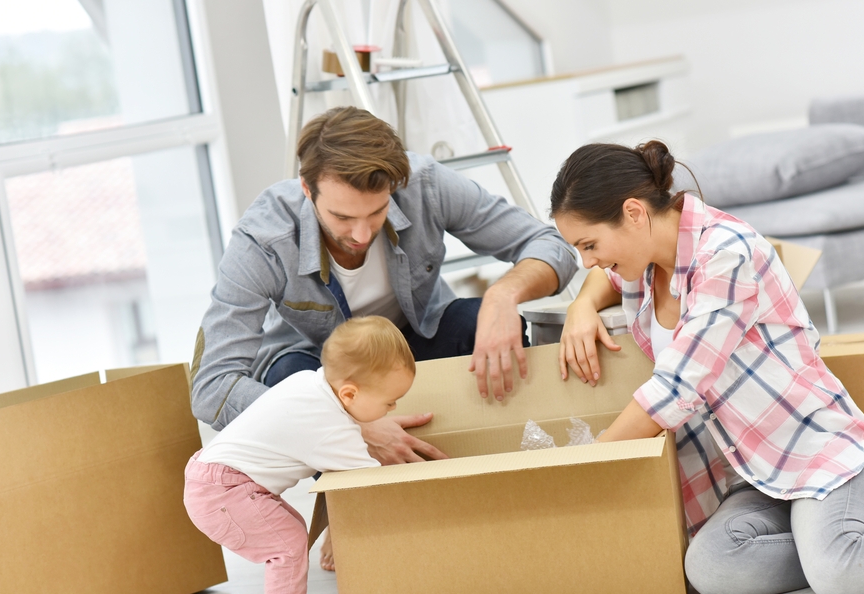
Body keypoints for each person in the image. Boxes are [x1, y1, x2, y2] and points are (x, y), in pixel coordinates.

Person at [550, 140, 864, 594]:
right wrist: (581, 304)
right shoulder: (646, 262)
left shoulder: (725, 255)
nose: (588, 261)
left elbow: (676, 388)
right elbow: (604, 276)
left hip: (821, 455)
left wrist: (581, 467)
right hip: (754, 474)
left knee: (838, 578)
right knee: (710, 569)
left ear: (634, 213)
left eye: (589, 245)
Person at [190, 106, 577, 464]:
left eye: (377, 211)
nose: (361, 234)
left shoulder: (425, 184)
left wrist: (503, 295)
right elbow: (211, 387)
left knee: (476, 321)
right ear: (307, 191)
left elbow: (554, 245)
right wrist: (341, 423)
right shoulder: (263, 241)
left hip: (416, 341)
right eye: (342, 217)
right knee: (290, 377)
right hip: (323, 373)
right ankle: (362, 516)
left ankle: (513, 463)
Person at [184, 316, 415, 594]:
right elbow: (372, 484)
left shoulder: (310, 382)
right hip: (223, 492)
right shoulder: (331, 428)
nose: (392, 410)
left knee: (292, 530)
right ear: (349, 394)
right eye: (389, 402)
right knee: (287, 545)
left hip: (216, 481)